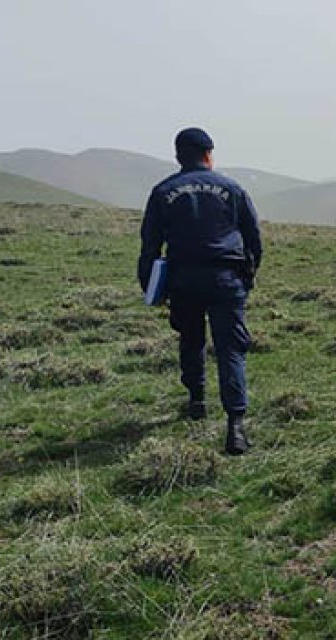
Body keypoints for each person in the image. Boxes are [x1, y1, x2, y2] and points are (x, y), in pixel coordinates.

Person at [137, 127, 263, 455]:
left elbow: (149, 245)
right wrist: (249, 275)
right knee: (230, 349)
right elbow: (253, 238)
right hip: (226, 278)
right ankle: (235, 427)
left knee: (190, 340)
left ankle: (196, 401)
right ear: (209, 154)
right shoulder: (232, 188)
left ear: (179, 156)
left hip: (183, 280)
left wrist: (150, 287)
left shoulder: (163, 191)